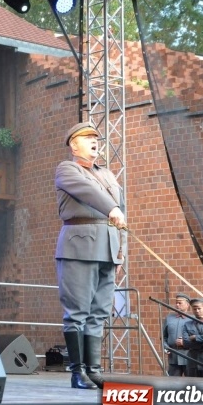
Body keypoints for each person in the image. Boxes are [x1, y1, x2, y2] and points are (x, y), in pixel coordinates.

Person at [54, 121, 126, 390]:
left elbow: (121, 216)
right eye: (88, 138)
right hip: (79, 247)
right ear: (74, 145)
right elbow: (91, 193)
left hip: (107, 248)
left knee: (99, 312)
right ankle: (77, 372)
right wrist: (112, 209)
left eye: (97, 138)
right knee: (77, 312)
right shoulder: (67, 169)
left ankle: (94, 370)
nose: (96, 141)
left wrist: (120, 252)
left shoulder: (107, 173)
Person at [163, 292, 191, 376]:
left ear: (187, 305)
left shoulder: (193, 320)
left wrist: (185, 342)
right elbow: (164, 336)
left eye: (180, 303)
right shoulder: (169, 318)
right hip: (173, 357)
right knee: (172, 384)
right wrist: (165, 347)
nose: (177, 305)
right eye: (176, 303)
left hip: (189, 356)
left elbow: (197, 339)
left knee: (192, 383)